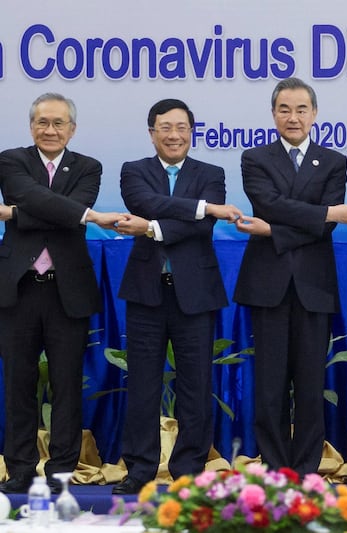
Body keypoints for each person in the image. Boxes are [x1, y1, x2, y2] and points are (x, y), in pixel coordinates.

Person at [233, 78, 347, 476]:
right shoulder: (255, 157)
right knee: (270, 386)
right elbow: (268, 203)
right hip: (267, 284)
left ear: (314, 114)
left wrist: (273, 229)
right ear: (273, 114)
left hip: (313, 285)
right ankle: (274, 468)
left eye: (301, 109)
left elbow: (322, 227)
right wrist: (322, 213)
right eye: (285, 109)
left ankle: (306, 469)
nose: (293, 117)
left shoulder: (335, 160)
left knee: (310, 384)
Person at [111, 98, 242, 494]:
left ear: (191, 131)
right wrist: (204, 208)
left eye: (182, 127)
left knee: (195, 385)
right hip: (146, 293)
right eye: (165, 127)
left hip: (195, 294)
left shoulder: (211, 172)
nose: (174, 135)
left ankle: (189, 470)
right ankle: (140, 469)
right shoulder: (134, 171)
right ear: (152, 132)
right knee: (143, 385)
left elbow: (198, 230)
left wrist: (151, 228)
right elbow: (144, 203)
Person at [0, 93, 123, 494]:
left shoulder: (89, 166)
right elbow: (41, 199)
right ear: (31, 126)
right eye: (42, 122)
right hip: (18, 288)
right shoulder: (11, 160)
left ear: (72, 128)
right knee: (19, 382)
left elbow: (60, 208)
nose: (50, 130)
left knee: (67, 383)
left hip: (66, 289)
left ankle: (61, 470)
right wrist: (72, 214)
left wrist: (15, 214)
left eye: (58, 123)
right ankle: (19, 467)